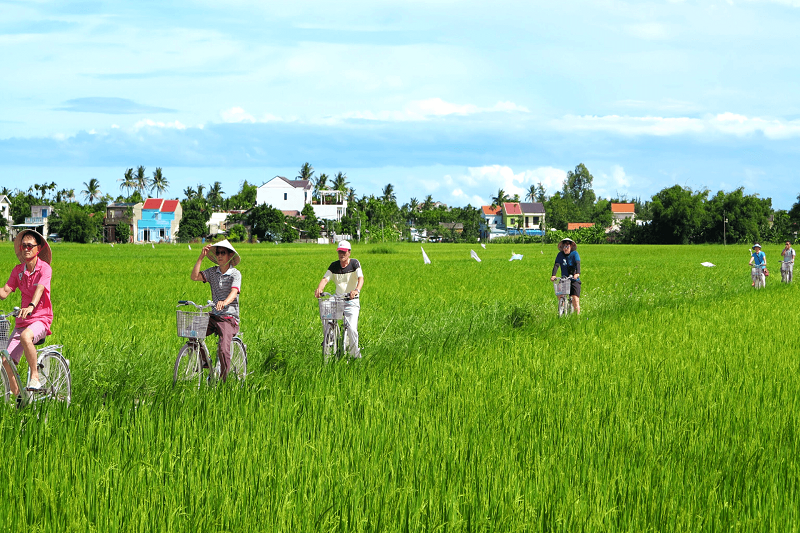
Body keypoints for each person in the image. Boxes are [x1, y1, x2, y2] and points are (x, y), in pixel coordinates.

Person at [0, 229, 53, 394]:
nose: (26, 249)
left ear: (38, 248)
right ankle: (19, 398)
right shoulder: (18, 271)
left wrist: (31, 306)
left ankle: (35, 377)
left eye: (30, 245)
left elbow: (40, 289)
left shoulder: (45, 269)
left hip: (41, 319)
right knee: (6, 361)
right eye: (23, 246)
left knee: (25, 336)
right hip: (22, 321)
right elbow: (4, 292)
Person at [190, 239, 241, 381]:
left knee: (223, 349)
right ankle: (204, 361)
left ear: (229, 255)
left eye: (223, 253)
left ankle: (223, 381)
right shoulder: (212, 272)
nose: (219, 256)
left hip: (228, 318)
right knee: (192, 331)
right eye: (217, 253)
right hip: (214, 315)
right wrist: (201, 257)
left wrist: (224, 302)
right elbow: (194, 277)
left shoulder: (235, 274)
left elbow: (234, 292)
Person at [314, 240, 364, 359]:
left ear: (349, 252)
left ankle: (355, 355)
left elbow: (360, 278)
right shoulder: (334, 265)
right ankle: (330, 336)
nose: (341, 254)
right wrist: (320, 288)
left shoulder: (354, 263)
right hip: (338, 299)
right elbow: (325, 279)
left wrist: (356, 290)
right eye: (339, 252)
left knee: (352, 329)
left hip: (351, 300)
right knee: (325, 307)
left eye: (344, 252)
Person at [550, 237, 581, 314]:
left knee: (575, 299)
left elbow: (578, 263)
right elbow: (556, 265)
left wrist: (577, 273)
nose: (565, 248)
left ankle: (577, 316)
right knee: (559, 294)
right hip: (564, 279)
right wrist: (553, 275)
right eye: (564, 246)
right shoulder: (560, 255)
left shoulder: (574, 254)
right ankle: (562, 308)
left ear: (571, 246)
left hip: (574, 279)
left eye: (567, 246)